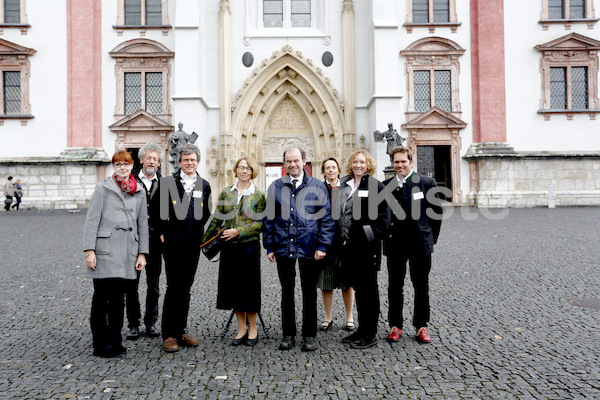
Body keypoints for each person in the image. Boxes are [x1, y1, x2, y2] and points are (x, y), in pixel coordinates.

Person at [263, 147, 335, 352]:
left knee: (309, 292)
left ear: (304, 161)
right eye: (288, 161)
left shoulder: (318, 186)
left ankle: (309, 335)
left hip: (309, 246)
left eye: (296, 160)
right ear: (284, 163)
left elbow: (326, 219)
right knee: (287, 292)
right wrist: (269, 246)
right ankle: (288, 334)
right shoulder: (275, 187)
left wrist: (322, 245)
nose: (292, 164)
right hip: (283, 244)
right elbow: (269, 219)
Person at [82, 150, 149, 357]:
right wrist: (89, 251)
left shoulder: (139, 191)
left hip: (128, 251)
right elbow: (92, 220)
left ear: (132, 166)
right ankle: (101, 343)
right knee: (102, 298)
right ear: (114, 166)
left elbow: (143, 224)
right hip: (104, 250)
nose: (123, 168)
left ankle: (115, 340)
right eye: (119, 164)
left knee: (119, 299)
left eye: (126, 164)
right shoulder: (103, 188)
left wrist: (142, 253)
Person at [203, 157, 266, 346]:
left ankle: (253, 328)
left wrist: (239, 231)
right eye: (241, 167)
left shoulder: (259, 195)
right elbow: (216, 219)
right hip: (229, 247)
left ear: (253, 171)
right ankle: (242, 328)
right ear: (236, 170)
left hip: (249, 246)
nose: (244, 170)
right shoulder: (226, 193)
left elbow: (261, 223)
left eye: (247, 168)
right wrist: (204, 242)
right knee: (234, 287)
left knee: (250, 287)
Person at [383, 146, 443, 344]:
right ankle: (395, 325)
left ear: (411, 162)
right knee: (394, 286)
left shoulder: (426, 183)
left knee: (421, 286)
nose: (399, 165)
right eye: (396, 162)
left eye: (403, 161)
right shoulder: (386, 186)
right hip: (395, 244)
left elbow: (436, 214)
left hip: (420, 244)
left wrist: (430, 239)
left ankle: (421, 326)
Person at [158, 143, 212, 353]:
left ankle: (181, 331)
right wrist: (165, 231)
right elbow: (158, 211)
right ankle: (169, 335)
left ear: (198, 162)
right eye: (186, 160)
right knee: (174, 286)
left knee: (186, 287)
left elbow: (206, 212)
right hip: (173, 242)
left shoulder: (203, 185)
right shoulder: (167, 183)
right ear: (179, 162)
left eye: (193, 160)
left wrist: (197, 229)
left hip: (193, 243)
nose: (190, 163)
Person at [338, 150, 390, 349]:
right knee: (359, 289)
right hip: (349, 248)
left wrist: (365, 235)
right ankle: (361, 329)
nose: (358, 165)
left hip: (367, 248)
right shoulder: (346, 186)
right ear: (350, 164)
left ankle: (371, 333)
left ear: (368, 165)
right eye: (355, 161)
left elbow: (384, 219)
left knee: (369, 291)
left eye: (362, 162)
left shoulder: (376, 186)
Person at [124, 142, 164, 340]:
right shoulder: (129, 181)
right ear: (141, 160)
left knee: (153, 284)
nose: (151, 161)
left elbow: (168, 212)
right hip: (132, 240)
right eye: (148, 158)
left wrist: (164, 231)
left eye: (155, 159)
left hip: (155, 241)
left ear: (159, 163)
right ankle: (133, 323)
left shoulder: (165, 184)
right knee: (132, 284)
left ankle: (151, 322)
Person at [317, 158, 355, 332]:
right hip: (326, 241)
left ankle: (349, 317)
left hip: (345, 241)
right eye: (327, 168)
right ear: (323, 171)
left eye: (333, 167)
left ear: (339, 169)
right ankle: (328, 317)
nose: (330, 170)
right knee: (326, 282)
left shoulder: (349, 187)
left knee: (347, 282)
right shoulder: (318, 189)